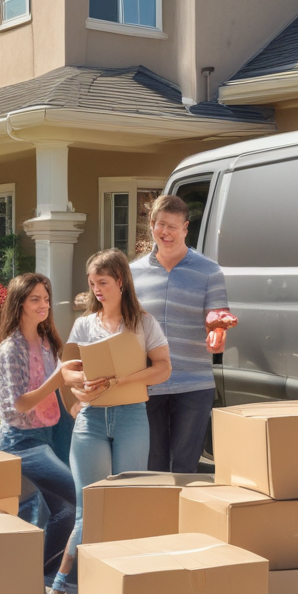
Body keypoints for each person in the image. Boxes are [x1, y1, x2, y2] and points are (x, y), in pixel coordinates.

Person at [42, 249, 171, 594]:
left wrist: (125, 378)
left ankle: (118, 593)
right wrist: (82, 388)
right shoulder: (85, 326)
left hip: (132, 417)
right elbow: (67, 373)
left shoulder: (144, 323)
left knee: (126, 506)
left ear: (120, 281)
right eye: (92, 283)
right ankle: (58, 592)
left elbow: (163, 368)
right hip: (92, 421)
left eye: (103, 282)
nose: (97, 289)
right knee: (90, 509)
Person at [130, 194, 232, 473]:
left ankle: (183, 516)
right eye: (161, 224)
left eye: (173, 227)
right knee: (152, 464)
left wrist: (218, 331)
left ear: (185, 229)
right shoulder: (132, 273)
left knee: (185, 466)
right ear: (152, 224)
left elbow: (217, 314)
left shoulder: (209, 272)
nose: (166, 232)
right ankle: (156, 516)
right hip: (148, 384)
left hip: (193, 384)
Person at [0, 273, 84, 583]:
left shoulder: (47, 342)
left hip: (49, 434)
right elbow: (15, 405)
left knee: (69, 511)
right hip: (20, 442)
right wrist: (58, 379)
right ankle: (43, 578)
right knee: (75, 494)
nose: (44, 304)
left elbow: (55, 391)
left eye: (45, 298)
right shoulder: (11, 349)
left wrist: (74, 403)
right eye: (35, 299)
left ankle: (43, 575)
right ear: (20, 304)